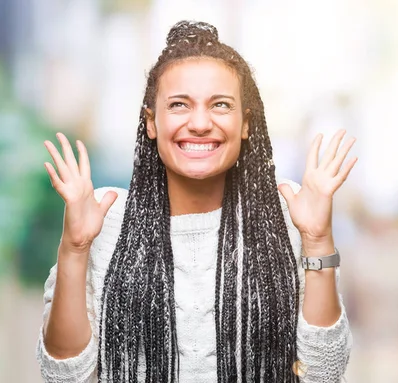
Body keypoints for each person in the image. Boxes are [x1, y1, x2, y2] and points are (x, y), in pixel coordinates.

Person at [35, 20, 355, 383]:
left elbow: (325, 373)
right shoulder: (105, 221)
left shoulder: (286, 217)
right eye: (179, 105)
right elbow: (62, 376)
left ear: (245, 123)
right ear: (151, 122)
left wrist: (316, 239)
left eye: (220, 105)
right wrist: (74, 248)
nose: (200, 123)